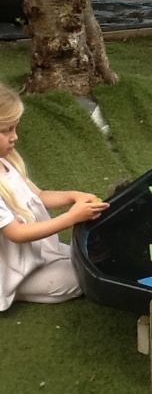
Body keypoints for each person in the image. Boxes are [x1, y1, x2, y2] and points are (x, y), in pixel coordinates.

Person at [0, 83, 110, 312]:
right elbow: (16, 233)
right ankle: (12, 289)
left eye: (15, 128)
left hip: (37, 250)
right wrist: (71, 217)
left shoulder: (7, 161)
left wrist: (73, 196)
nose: (14, 137)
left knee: (88, 260)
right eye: (6, 130)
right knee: (79, 279)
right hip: (12, 268)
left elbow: (38, 196)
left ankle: (49, 263)